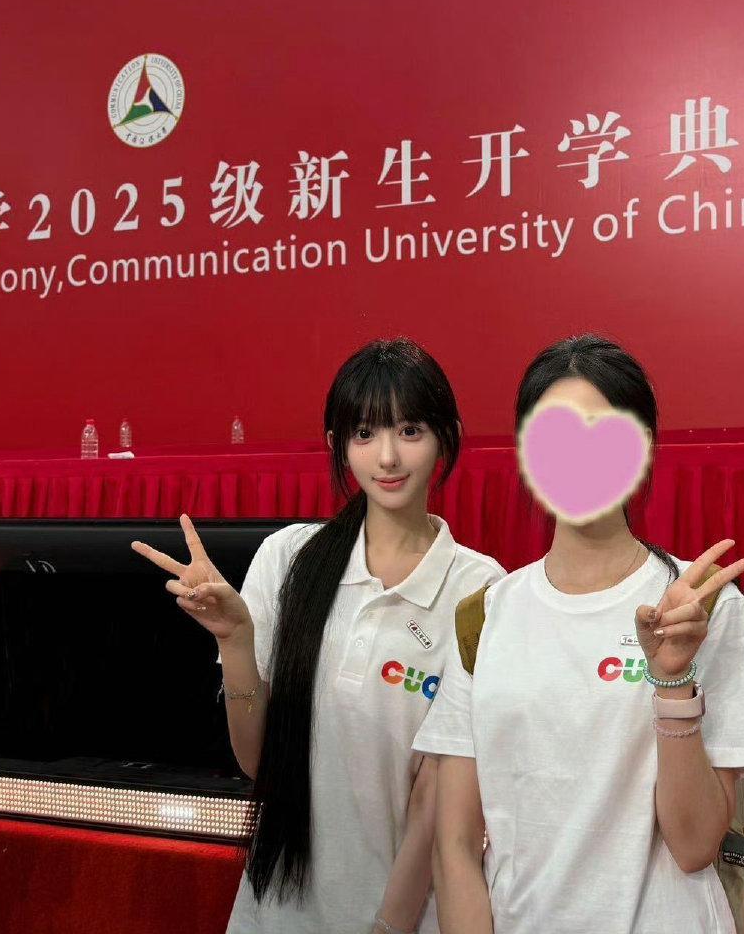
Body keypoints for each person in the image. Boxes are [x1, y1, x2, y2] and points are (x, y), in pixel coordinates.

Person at [132, 339, 504, 934]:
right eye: (365, 434)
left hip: (406, 914)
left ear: (447, 437)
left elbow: (437, 799)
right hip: (278, 911)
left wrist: (388, 925)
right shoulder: (288, 558)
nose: (387, 457)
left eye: (410, 430)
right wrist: (235, 641)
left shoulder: (479, 588)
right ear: (338, 445)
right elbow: (259, 762)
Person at [415, 334, 744, 933]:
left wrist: (673, 678)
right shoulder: (485, 615)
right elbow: (455, 848)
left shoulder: (700, 607)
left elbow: (694, 845)